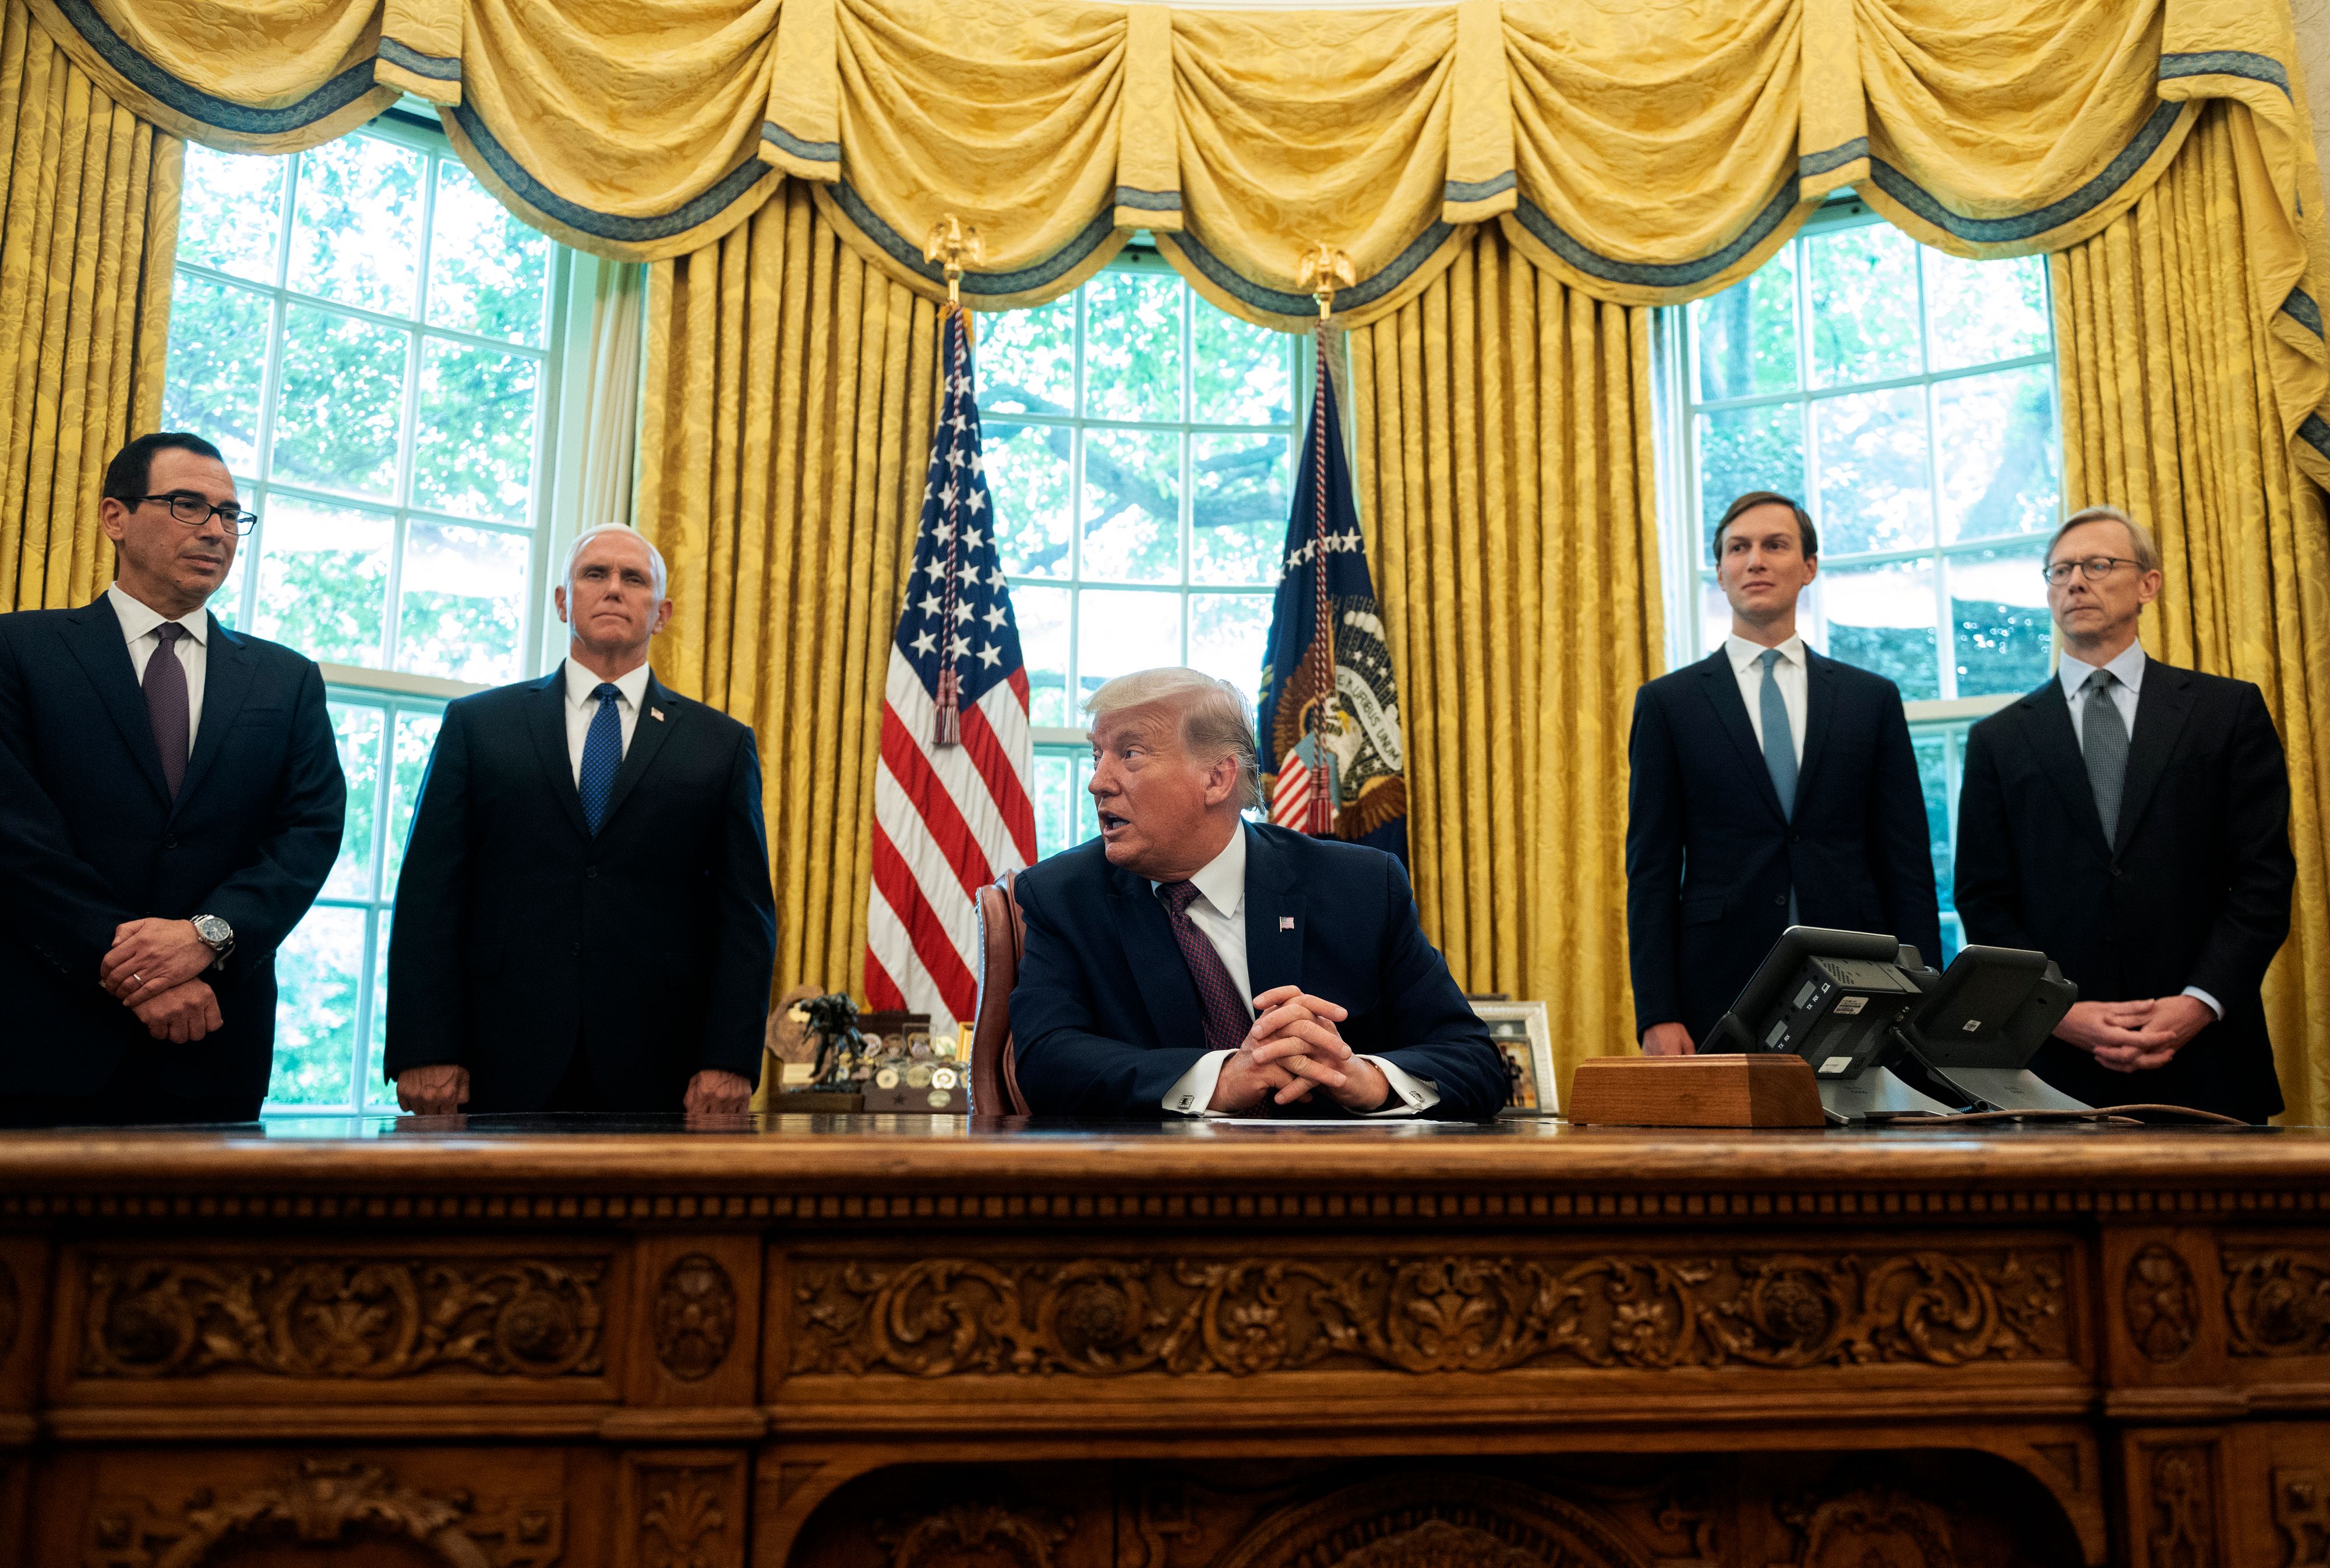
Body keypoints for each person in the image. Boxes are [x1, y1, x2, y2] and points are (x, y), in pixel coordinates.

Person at [0, 432, 345, 1126]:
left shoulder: (286, 679)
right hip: (42, 1039)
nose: (216, 530)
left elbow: (307, 835)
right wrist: (135, 969)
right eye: (188, 505)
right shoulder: (19, 649)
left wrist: (206, 937)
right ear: (115, 517)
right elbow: (16, 838)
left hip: (215, 1045)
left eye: (231, 514)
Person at [384, 525, 776, 1115]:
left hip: (665, 1066)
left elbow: (744, 915)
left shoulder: (720, 745)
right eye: (595, 574)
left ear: (662, 613)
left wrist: (730, 1057)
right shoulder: (478, 725)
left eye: (633, 579)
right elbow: (429, 896)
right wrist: (425, 1045)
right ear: (563, 601)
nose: (614, 588)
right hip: (497, 1054)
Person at [1009, 668, 1508, 1120]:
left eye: (1130, 754)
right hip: (1156, 1181)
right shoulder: (1063, 896)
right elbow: (1046, 1062)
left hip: (1339, 1179)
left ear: (1217, 778)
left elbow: (1473, 1061)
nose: (1098, 782)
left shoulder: (1360, 887)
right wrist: (1219, 1080)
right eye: (1097, 755)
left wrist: (1364, 1079)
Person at [1954, 506, 2293, 1122]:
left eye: (2097, 565)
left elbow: (2263, 879)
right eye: (2059, 571)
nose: (2075, 583)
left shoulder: (2227, 711)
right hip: (2053, 1068)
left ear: (2148, 585)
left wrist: (2199, 1002)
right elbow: (1984, 901)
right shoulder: (1997, 740)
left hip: (2208, 1056)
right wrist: (2055, 1010)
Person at [1626, 490, 1940, 1054]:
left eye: (1775, 546)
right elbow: (1651, 871)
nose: (1755, 561)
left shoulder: (1870, 699)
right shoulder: (1669, 704)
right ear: (1721, 573)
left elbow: (1906, 861)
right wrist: (1657, 1012)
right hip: (1716, 987)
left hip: (1862, 980)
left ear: (1809, 567)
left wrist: (1923, 1000)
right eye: (1738, 548)